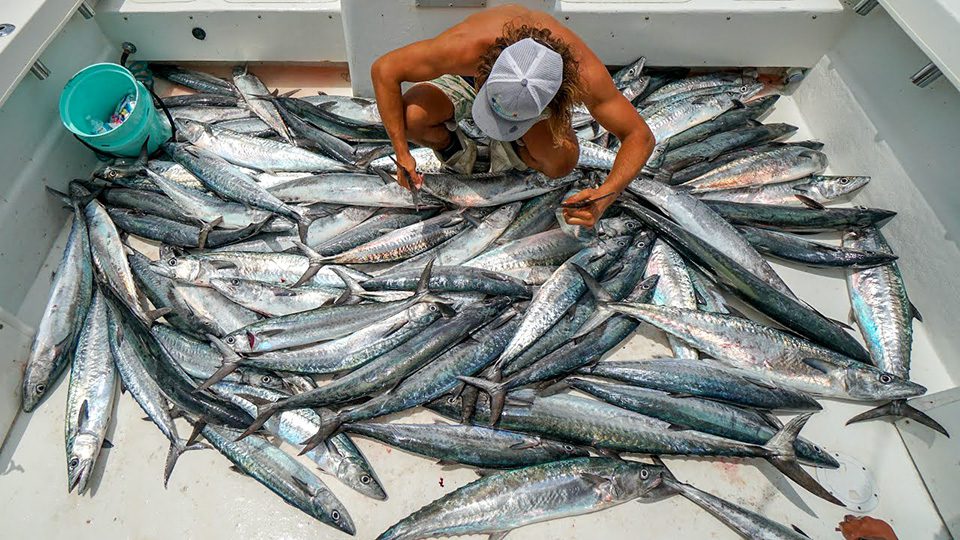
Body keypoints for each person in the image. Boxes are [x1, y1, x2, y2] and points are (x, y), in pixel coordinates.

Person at [370, 4, 654, 227]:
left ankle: (514, 149)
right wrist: (402, 152)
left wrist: (606, 196)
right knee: (410, 120)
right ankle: (453, 146)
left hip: (526, 99)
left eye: (512, 122)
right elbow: (384, 69)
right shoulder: (466, 47)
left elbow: (640, 137)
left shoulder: (586, 77)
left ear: (558, 94)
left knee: (561, 163)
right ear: (490, 64)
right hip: (470, 80)